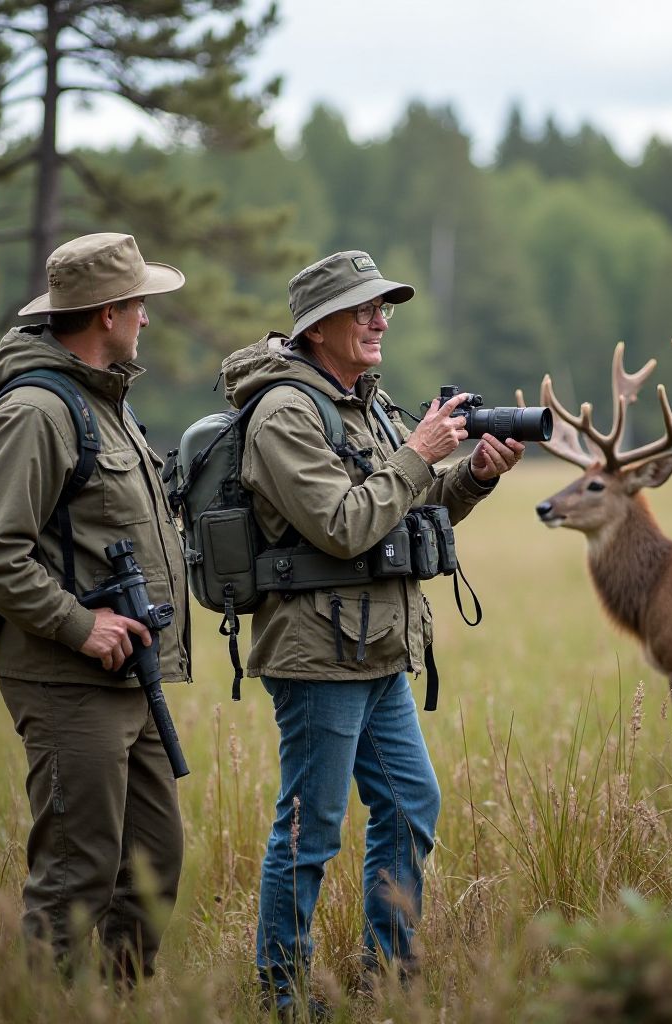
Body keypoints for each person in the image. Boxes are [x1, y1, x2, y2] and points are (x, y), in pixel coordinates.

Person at [220, 249, 525, 1015]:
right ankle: (282, 995)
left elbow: (409, 518)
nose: (380, 320)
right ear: (318, 326)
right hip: (316, 651)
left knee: (411, 803)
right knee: (310, 828)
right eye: (363, 309)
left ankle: (388, 976)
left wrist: (473, 475)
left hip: (379, 647)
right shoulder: (285, 412)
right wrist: (419, 455)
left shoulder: (368, 403)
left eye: (383, 307)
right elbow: (344, 524)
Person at [0, 232, 191, 983]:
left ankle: (118, 1005)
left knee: (152, 867)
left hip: (132, 679)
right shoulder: (36, 411)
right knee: (74, 877)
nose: (147, 321)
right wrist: (80, 624)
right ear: (108, 313)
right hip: (68, 681)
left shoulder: (108, 405)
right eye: (140, 306)